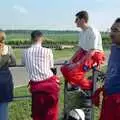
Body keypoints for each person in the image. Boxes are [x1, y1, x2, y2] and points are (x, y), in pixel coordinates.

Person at [61, 10, 105, 90]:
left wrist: (77, 64)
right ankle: (76, 85)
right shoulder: (82, 33)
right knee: (64, 68)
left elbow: (92, 51)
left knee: (74, 72)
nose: (75, 22)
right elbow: (80, 49)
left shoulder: (92, 31)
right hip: (85, 53)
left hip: (94, 54)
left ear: (83, 20)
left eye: (76, 19)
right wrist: (71, 60)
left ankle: (92, 87)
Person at [22, 30, 60, 120]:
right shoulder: (48, 51)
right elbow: (51, 67)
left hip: (36, 88)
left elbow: (23, 63)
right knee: (51, 114)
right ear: (41, 38)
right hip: (50, 86)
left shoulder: (25, 52)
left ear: (31, 39)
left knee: (38, 115)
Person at [92, 18, 120, 120]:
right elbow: (112, 70)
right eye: (111, 30)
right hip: (109, 98)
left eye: (115, 30)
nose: (111, 34)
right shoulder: (114, 47)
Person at [0, 30, 16, 120]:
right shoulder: (9, 48)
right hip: (5, 80)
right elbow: (14, 62)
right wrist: (6, 63)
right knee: (4, 108)